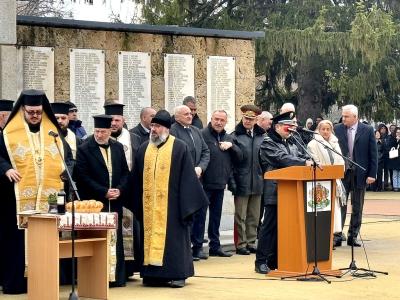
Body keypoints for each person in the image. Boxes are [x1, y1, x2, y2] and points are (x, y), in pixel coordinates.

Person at [0, 90, 73, 294]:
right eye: (30, 112)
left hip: (50, 195)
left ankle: (46, 280)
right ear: (22, 110)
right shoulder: (8, 135)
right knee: (16, 242)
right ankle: (16, 283)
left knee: (47, 238)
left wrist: (67, 173)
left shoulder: (53, 133)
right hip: (17, 197)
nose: (34, 116)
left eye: (38, 112)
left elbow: (68, 159)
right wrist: (6, 168)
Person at [129, 109, 209, 288]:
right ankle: (152, 274)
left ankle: (178, 274)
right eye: (152, 126)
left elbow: (188, 178)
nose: (153, 130)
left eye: (157, 126)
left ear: (166, 128)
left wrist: (186, 207)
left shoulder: (179, 147)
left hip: (173, 206)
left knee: (174, 241)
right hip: (150, 206)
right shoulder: (144, 148)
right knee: (149, 238)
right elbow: (136, 177)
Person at [75, 114, 129, 287]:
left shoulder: (118, 147)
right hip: (95, 202)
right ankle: (96, 277)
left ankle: (116, 277)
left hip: (115, 200)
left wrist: (119, 189)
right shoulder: (85, 148)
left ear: (109, 131)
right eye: (97, 131)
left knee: (116, 238)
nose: (99, 135)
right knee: (96, 239)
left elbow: (125, 173)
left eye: (103, 132)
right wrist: (103, 192)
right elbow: (82, 177)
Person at [255, 111, 312, 274]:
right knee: (269, 227)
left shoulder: (293, 141)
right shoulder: (267, 143)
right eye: (289, 126)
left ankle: (276, 259)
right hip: (275, 191)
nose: (292, 129)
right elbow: (282, 159)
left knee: (286, 228)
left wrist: (309, 161)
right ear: (278, 126)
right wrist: (304, 163)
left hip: (293, 192)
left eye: (294, 126)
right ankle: (261, 261)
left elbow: (304, 156)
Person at [104, 103, 142, 278]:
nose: (113, 123)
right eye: (110, 120)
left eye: (117, 120)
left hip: (130, 191)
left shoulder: (134, 138)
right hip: (106, 192)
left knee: (131, 230)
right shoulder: (99, 137)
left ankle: (128, 268)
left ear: (123, 120)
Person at [170, 105, 210, 260]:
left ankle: (198, 246)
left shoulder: (195, 131)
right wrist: (189, 170)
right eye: (186, 114)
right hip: (182, 181)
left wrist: (200, 167)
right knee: (188, 213)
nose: (190, 115)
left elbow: (206, 152)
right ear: (177, 116)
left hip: (198, 179)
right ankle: (186, 248)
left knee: (200, 212)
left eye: (191, 113)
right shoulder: (173, 131)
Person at [334, 104, 377, 247]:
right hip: (342, 174)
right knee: (341, 205)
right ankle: (337, 235)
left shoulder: (367, 130)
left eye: (346, 116)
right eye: (343, 115)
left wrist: (372, 173)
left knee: (358, 206)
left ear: (355, 117)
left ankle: (353, 235)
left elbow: (373, 154)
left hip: (360, 174)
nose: (343, 118)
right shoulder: (337, 129)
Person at [201, 110, 243, 257]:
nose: (218, 122)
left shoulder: (228, 137)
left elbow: (240, 157)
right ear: (211, 119)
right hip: (204, 183)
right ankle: (198, 246)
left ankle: (215, 246)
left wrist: (231, 146)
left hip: (220, 184)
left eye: (222, 120)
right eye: (216, 119)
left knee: (215, 217)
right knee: (200, 217)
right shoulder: (202, 134)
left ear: (226, 122)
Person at [229, 104, 264, 255]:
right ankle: (241, 244)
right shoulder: (234, 136)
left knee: (254, 215)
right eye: (245, 118)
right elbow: (231, 162)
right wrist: (232, 182)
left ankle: (251, 242)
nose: (247, 121)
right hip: (241, 180)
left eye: (251, 119)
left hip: (257, 180)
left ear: (256, 120)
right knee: (240, 215)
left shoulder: (262, 136)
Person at [307, 120, 346, 248]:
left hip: (334, 181)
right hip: (320, 183)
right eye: (323, 129)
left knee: (334, 212)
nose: (325, 131)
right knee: (321, 211)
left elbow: (340, 161)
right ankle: (320, 240)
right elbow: (314, 161)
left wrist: (338, 172)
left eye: (328, 129)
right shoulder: (313, 144)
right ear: (318, 130)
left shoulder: (335, 142)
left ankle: (331, 238)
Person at [389, 127, 400, 191]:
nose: (398, 133)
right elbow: (391, 147)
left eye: (399, 132)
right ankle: (395, 186)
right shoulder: (392, 139)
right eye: (397, 132)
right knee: (395, 174)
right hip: (394, 159)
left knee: (399, 174)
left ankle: (399, 186)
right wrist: (397, 141)